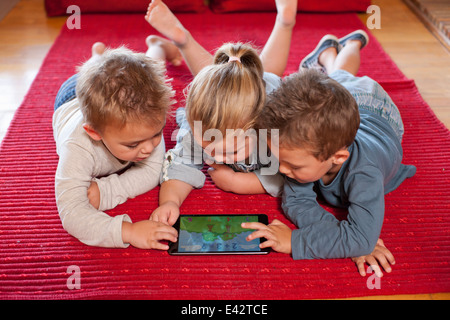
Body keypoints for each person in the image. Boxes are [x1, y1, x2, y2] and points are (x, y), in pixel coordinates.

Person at [243, 30, 416, 277]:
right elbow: (296, 202)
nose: (282, 170)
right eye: (279, 159)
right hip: (345, 106)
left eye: (293, 167)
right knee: (338, 79)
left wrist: (296, 240)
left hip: (378, 108)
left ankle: (352, 44)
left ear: (338, 157)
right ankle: (328, 54)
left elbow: (361, 238)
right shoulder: (298, 155)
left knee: (342, 76)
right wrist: (346, 237)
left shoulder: (364, 173)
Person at [144, 0, 298, 226]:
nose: (217, 158)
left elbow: (288, 176)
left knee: (269, 72)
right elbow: (179, 165)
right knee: (216, 77)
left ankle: (284, 23)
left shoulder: (273, 132)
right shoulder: (197, 125)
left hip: (269, 91)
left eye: (231, 151)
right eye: (209, 148)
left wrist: (239, 182)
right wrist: (170, 202)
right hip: (225, 90)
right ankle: (184, 41)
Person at [53, 41, 179, 249]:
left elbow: (153, 170)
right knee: (95, 69)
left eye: (156, 134)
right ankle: (97, 55)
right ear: (94, 133)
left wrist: (105, 191)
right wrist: (127, 231)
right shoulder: (76, 147)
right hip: (69, 97)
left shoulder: (146, 119)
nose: (149, 148)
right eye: (133, 145)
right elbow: (71, 212)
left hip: (117, 92)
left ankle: (157, 46)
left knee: (150, 67)